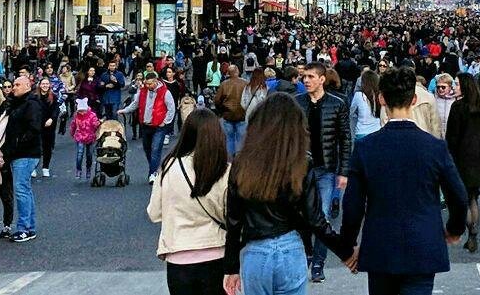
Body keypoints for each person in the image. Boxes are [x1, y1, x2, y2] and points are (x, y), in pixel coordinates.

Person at [338, 66, 468, 295]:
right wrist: (454, 228)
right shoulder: (434, 147)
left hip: (381, 246)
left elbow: (353, 205)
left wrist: (348, 246)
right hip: (423, 244)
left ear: (381, 99)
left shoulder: (366, 148)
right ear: (414, 99)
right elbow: (458, 195)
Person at [222, 93, 351, 295]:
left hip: (255, 250)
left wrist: (230, 267)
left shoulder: (242, 161)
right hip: (289, 246)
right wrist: (346, 252)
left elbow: (234, 219)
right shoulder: (301, 161)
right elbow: (315, 218)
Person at [148, 108, 231, 295]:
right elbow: (231, 216)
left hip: (179, 255)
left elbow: (154, 213)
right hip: (216, 252)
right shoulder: (224, 170)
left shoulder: (169, 167)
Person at [294, 61, 351, 283]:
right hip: (301, 169)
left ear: (322, 79)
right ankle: (307, 254)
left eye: (310, 77)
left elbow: (345, 139)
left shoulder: (337, 103)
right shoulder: (297, 103)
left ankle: (318, 263)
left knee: (323, 217)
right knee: (303, 216)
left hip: (326, 169)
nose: (305, 80)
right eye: (303, 77)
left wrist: (343, 171)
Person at [444, 73, 480, 253]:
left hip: (461, 158)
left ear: (464, 86)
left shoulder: (458, 107)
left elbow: (452, 137)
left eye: (456, 84)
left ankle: (468, 229)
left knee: (462, 199)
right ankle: (473, 233)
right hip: (479, 157)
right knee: (473, 198)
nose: (454, 87)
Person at [1, 74, 44, 242]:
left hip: (25, 153)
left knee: (21, 190)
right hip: (20, 153)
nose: (14, 87)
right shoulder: (18, 103)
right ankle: (29, 226)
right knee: (25, 189)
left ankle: (24, 228)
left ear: (28, 86)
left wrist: (18, 143)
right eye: (13, 84)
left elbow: (34, 128)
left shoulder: (31, 104)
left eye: (18, 85)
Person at [121, 70, 177, 182]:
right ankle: (154, 167)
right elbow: (135, 104)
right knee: (147, 149)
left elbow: (171, 108)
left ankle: (152, 173)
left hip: (159, 126)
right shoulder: (142, 91)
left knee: (155, 149)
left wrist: (165, 122)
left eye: (150, 84)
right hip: (146, 125)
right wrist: (124, 110)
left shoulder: (165, 92)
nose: (148, 85)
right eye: (147, 83)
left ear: (156, 81)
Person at [215, 65, 248, 155]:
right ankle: (240, 160)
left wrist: (221, 111)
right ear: (238, 71)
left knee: (229, 139)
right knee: (241, 139)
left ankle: (230, 160)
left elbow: (217, 100)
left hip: (227, 115)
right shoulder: (245, 83)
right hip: (242, 115)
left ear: (228, 73)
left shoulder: (224, 84)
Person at [35, 77, 62, 178]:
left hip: (49, 125)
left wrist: (52, 119)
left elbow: (56, 110)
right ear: (40, 85)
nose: (45, 86)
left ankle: (45, 167)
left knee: (47, 147)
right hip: (37, 124)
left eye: (47, 84)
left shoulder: (53, 97)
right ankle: (34, 168)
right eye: (43, 84)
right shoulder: (35, 96)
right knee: (36, 146)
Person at [70, 98, 101, 180]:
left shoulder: (92, 115)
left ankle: (88, 169)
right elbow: (73, 125)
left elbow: (95, 124)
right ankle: (78, 169)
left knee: (89, 155)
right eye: (80, 111)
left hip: (90, 137)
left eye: (83, 110)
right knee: (79, 154)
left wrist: (97, 123)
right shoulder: (76, 116)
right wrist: (72, 133)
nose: (82, 113)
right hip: (80, 136)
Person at [350, 70, 382, 142]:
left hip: (361, 132)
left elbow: (352, 113)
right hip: (377, 130)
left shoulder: (358, 95)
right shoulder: (380, 95)